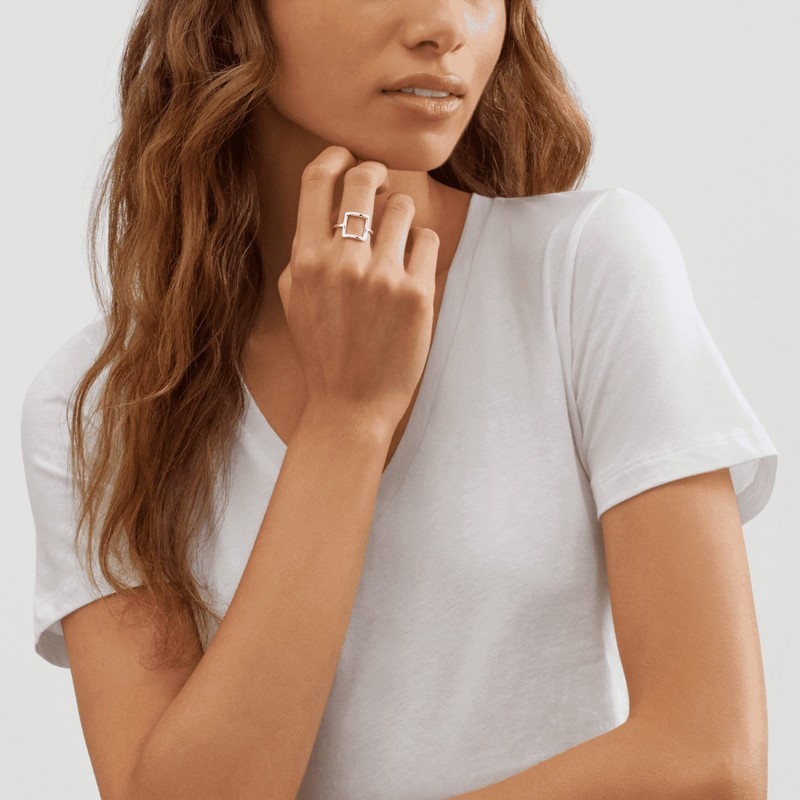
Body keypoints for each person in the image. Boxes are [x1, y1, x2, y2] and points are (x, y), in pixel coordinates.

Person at [20, 1, 777, 798]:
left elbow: (712, 762)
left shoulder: (582, 269)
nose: (446, 26)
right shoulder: (100, 405)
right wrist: (346, 419)